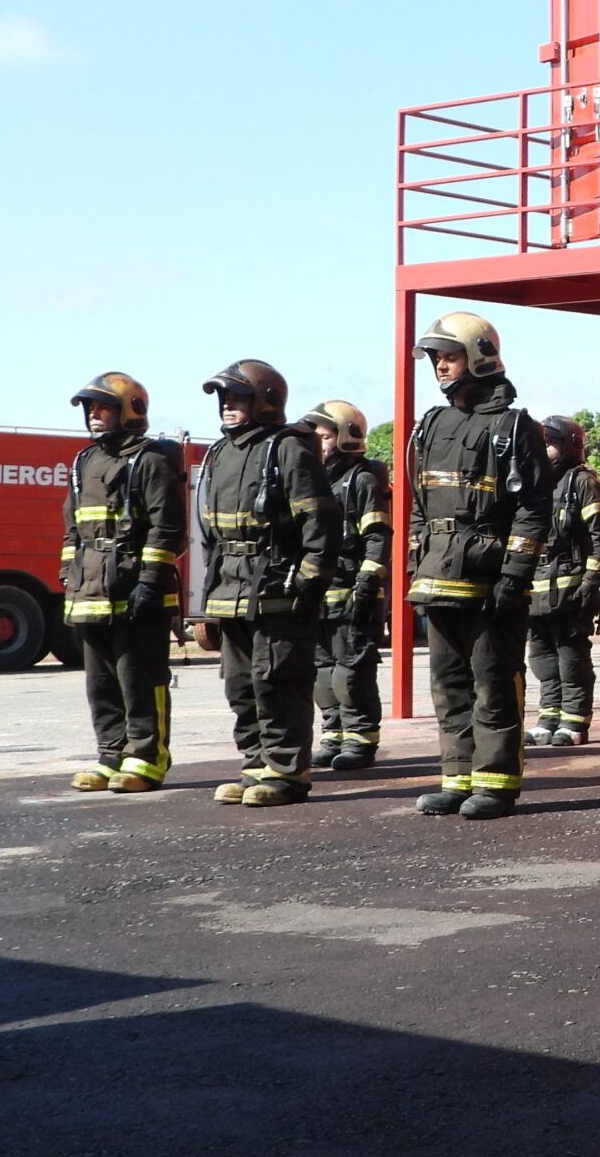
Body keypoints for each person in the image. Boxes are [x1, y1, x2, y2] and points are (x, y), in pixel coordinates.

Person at [407, 311, 550, 820]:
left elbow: (534, 508)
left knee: (493, 681)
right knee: (449, 685)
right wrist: (414, 563)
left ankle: (495, 782)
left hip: (491, 580)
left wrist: (515, 574)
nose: (440, 366)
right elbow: (420, 504)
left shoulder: (514, 427)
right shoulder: (431, 424)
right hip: (437, 576)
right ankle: (457, 777)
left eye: (449, 356)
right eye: (435, 358)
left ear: (480, 356)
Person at [187, 361, 340, 808]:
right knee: (240, 685)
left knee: (278, 681)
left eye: (237, 397)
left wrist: (309, 584)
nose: (228, 405)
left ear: (266, 400)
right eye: (224, 397)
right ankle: (255, 767)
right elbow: (210, 533)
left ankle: (287, 774)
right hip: (230, 591)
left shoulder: (288, 450)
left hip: (278, 592)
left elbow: (321, 521)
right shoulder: (221, 452)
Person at [61, 373, 184, 793]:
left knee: (140, 679)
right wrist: (68, 576)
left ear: (130, 410)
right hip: (91, 592)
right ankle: (110, 756)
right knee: (101, 684)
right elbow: (73, 530)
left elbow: (167, 528)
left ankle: (146, 760)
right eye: (90, 409)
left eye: (104, 407)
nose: (94, 416)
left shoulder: (150, 461)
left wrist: (150, 582)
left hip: (135, 591)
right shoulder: (84, 462)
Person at [302, 400, 389, 772]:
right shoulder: (312, 480)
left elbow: (377, 535)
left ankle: (360, 740)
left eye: (324, 437)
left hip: (353, 591)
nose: (318, 444)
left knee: (350, 672)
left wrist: (368, 582)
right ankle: (333, 735)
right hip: (318, 593)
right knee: (321, 671)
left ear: (347, 437)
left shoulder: (363, 479)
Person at [527, 414, 600, 749]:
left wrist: (590, 582)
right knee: (541, 656)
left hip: (571, 588)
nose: (545, 449)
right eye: (542, 443)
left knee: (571, 657)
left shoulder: (582, 482)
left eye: (550, 443)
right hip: (537, 590)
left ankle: (574, 722)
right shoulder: (535, 483)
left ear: (569, 445)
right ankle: (548, 719)